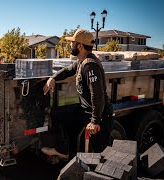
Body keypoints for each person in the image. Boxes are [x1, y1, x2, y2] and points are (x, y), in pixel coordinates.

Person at [41, 29, 113, 157]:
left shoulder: (90, 65)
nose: (70, 45)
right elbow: (68, 70)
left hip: (100, 116)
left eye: (72, 43)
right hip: (85, 111)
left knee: (99, 155)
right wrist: (53, 78)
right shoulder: (81, 60)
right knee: (58, 114)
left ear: (79, 46)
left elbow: (97, 95)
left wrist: (95, 121)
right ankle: (64, 150)